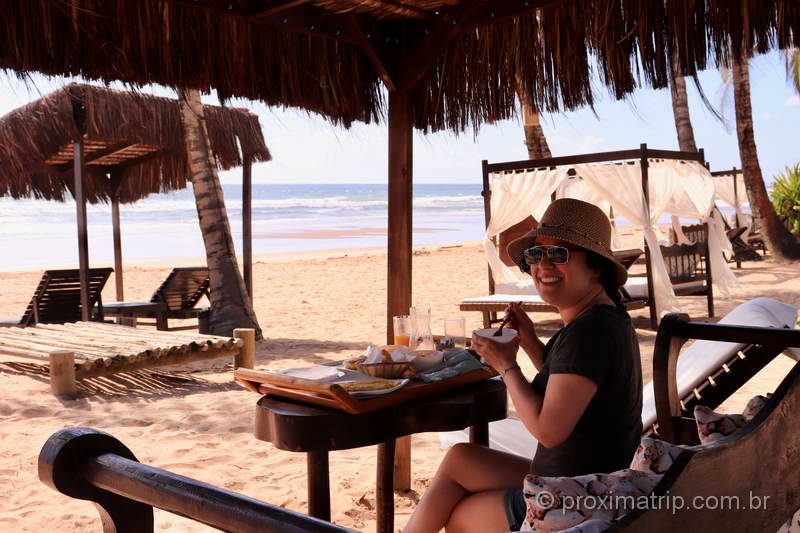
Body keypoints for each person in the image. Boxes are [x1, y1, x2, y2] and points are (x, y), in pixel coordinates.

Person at [403, 198, 643, 533]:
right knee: (461, 457)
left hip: (577, 494)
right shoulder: (605, 319)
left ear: (596, 267)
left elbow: (549, 430)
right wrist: (530, 341)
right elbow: (572, 384)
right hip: (596, 477)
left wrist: (507, 366)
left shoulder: (589, 332)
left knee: (459, 516)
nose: (544, 265)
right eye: (536, 254)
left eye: (559, 254)